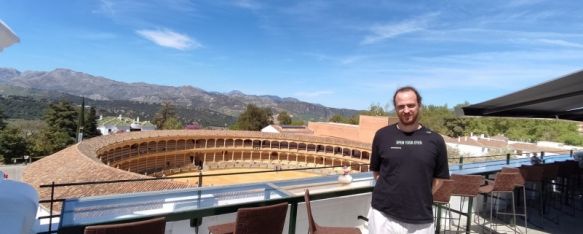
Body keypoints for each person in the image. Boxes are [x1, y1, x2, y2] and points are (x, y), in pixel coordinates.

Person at [367, 86, 450, 234]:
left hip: (420, 220)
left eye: (411, 105)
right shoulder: (382, 135)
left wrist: (419, 194)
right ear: (396, 108)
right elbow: (377, 172)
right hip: (382, 215)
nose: (406, 110)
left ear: (419, 105)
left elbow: (439, 179)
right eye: (401, 106)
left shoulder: (435, 140)